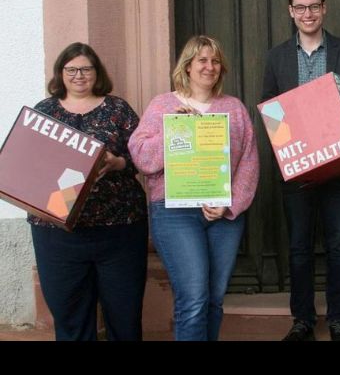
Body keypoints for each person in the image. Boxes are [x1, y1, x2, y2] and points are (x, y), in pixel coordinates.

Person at [261, 0, 340, 342]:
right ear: (290, 12)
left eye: (313, 6)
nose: (307, 14)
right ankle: (302, 320)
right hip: (297, 169)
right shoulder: (276, 57)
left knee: (338, 246)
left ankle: (339, 320)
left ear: (324, 8)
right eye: (299, 8)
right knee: (298, 247)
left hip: (338, 164)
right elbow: (269, 109)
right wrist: (285, 144)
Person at [129, 35, 259, 341]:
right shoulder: (163, 105)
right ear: (187, 66)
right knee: (194, 298)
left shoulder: (234, 108)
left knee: (213, 299)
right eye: (202, 60)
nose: (209, 67)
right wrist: (175, 132)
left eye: (215, 61)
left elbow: (249, 163)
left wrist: (229, 205)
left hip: (222, 214)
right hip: (175, 213)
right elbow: (142, 157)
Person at [28, 42, 148, 341]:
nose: (79, 75)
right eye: (71, 69)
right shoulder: (43, 112)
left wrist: (119, 162)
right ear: (60, 73)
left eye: (86, 68)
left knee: (124, 315)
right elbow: (27, 163)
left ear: (97, 73)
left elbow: (144, 155)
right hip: (57, 232)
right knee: (70, 318)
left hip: (118, 229)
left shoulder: (118, 109)